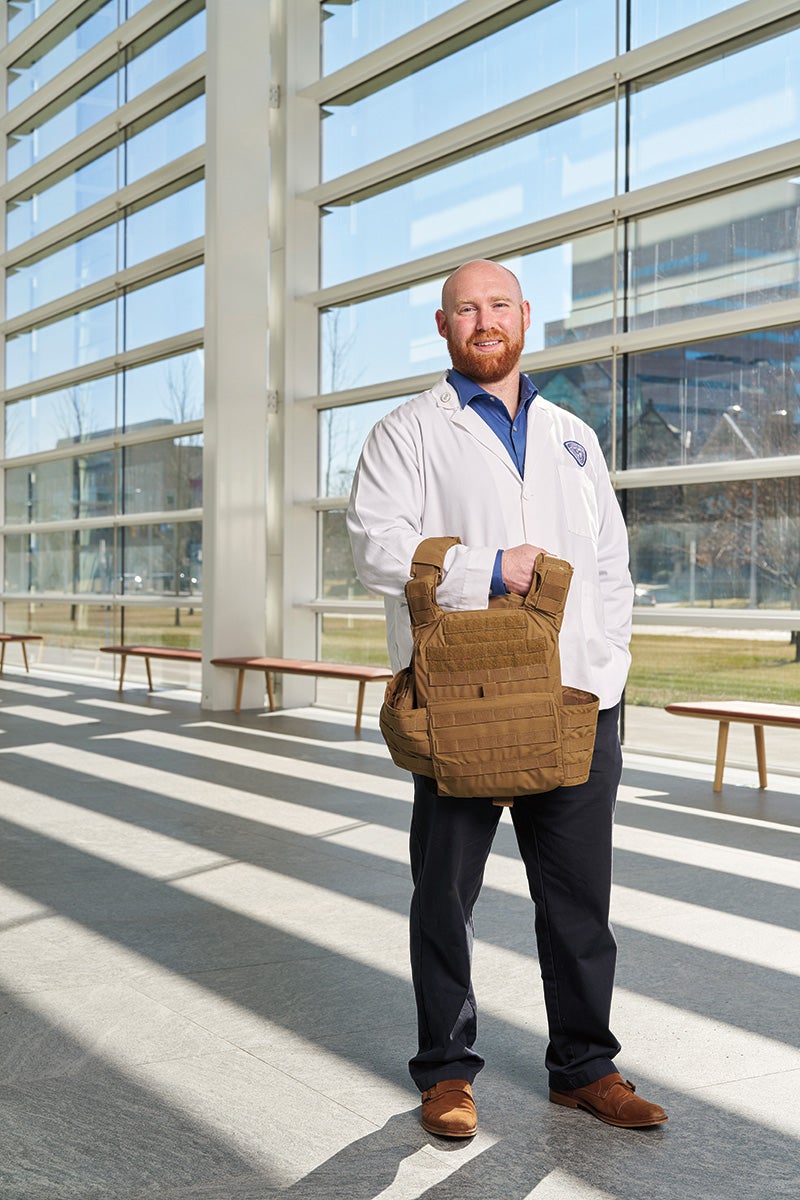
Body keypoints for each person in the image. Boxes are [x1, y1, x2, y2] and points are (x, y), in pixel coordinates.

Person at [346, 259, 667, 1136]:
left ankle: (584, 1067)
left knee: (578, 899)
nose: (483, 321)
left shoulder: (572, 433)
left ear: (525, 317)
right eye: (465, 310)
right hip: (465, 703)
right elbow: (378, 549)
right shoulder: (406, 433)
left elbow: (610, 563)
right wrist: (486, 569)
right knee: (446, 893)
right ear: (442, 326)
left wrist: (610, 660)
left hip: (576, 701)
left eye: (498, 306)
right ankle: (446, 1071)